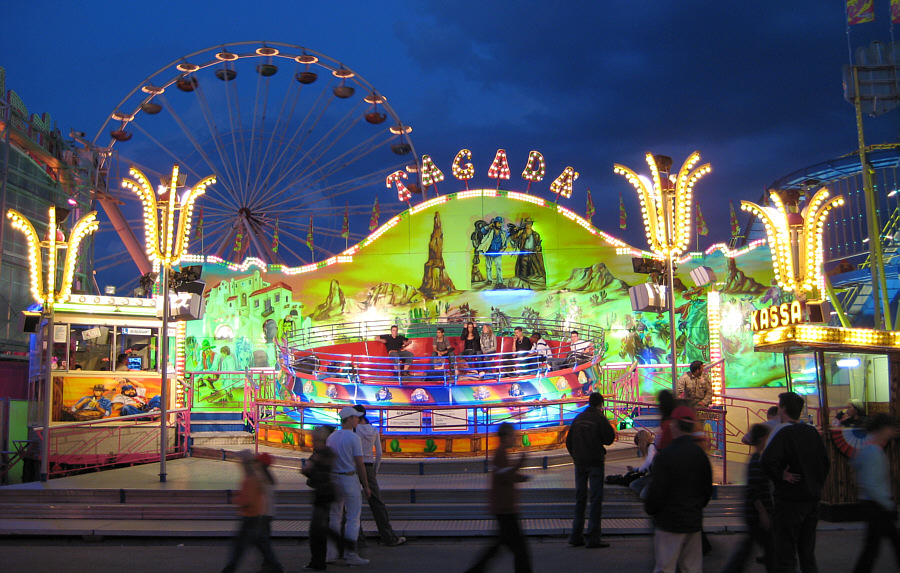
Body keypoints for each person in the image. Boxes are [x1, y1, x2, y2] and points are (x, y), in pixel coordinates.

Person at [760, 391, 829, 573]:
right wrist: (815, 483)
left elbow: (767, 461)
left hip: (789, 499)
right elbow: (825, 462)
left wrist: (781, 476)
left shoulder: (781, 432)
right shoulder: (811, 432)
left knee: (786, 553)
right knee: (807, 552)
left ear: (782, 409)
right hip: (812, 499)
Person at [644, 405, 713, 573]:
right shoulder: (700, 455)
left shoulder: (666, 455)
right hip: (693, 520)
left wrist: (652, 509)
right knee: (692, 568)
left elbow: (657, 490)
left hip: (669, 522)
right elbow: (706, 489)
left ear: (674, 425)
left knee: (665, 567)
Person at [463, 422, 532, 573]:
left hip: (503, 506)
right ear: (506, 437)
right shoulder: (500, 454)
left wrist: (521, 477)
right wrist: (521, 463)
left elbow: (505, 475)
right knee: (519, 548)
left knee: (502, 544)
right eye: (513, 435)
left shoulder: (501, 453)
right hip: (505, 508)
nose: (515, 438)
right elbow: (506, 476)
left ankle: (475, 570)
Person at [722, 423, 776, 573]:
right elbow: (753, 489)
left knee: (750, 547)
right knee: (768, 548)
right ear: (762, 439)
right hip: (756, 514)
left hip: (754, 513)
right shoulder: (756, 461)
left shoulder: (757, 459)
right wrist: (763, 513)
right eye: (766, 437)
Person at [850, 413, 900, 573]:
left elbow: (855, 468)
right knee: (882, 546)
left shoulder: (867, 448)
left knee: (873, 547)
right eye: (890, 428)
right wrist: (888, 503)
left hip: (872, 503)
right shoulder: (873, 452)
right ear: (883, 429)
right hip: (878, 505)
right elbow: (872, 484)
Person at [566, 392, 616, 548]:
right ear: (601, 405)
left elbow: (569, 441)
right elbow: (609, 439)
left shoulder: (578, 418)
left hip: (579, 463)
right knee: (595, 500)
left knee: (580, 500)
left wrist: (576, 456)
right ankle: (593, 538)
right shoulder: (600, 419)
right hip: (595, 462)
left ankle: (576, 536)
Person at [352, 405, 406, 548]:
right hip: (369, 467)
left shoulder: (353, 430)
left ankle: (359, 539)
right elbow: (380, 454)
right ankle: (388, 536)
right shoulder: (373, 430)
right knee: (377, 503)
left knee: (353, 503)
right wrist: (374, 470)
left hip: (354, 467)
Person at [221, 451, 284, 573]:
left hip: (251, 516)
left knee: (240, 547)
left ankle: (229, 569)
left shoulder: (253, 478)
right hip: (258, 515)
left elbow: (249, 500)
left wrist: (235, 499)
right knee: (262, 545)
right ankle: (275, 568)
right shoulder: (261, 477)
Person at [325, 407, 371, 566]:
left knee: (334, 517)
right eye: (356, 418)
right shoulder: (353, 438)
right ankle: (350, 553)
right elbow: (360, 463)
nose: (358, 420)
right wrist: (366, 485)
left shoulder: (332, 437)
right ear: (349, 419)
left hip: (335, 479)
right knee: (352, 517)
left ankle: (331, 553)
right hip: (349, 478)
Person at [301, 426, 344, 571]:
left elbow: (308, 469)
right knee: (321, 529)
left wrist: (306, 469)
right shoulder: (329, 452)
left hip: (322, 494)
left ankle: (318, 562)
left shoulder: (320, 452)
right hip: (328, 493)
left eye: (313, 438)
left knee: (317, 532)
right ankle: (322, 559)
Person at [509, 217, 546, 289]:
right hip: (524, 254)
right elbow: (513, 239)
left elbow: (539, 246)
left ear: (531, 224)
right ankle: (523, 287)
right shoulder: (522, 234)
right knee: (523, 271)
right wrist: (516, 231)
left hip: (532, 254)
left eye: (529, 224)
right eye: (527, 224)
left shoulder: (536, 235)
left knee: (534, 270)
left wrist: (538, 248)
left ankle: (532, 286)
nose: (528, 225)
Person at [477, 216, 509, 288]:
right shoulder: (489, 231)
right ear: (494, 223)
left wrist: (503, 249)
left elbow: (505, 243)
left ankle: (500, 282)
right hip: (489, 252)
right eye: (498, 223)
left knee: (499, 268)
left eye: (500, 223)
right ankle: (489, 280)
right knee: (488, 267)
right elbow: (482, 231)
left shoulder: (503, 233)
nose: (499, 225)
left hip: (498, 253)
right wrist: (489, 226)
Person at [627, 429, 657, 497]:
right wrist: (634, 469)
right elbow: (647, 467)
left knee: (643, 495)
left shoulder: (651, 447)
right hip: (651, 475)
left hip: (655, 476)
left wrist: (639, 469)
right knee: (633, 485)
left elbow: (649, 461)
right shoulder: (649, 448)